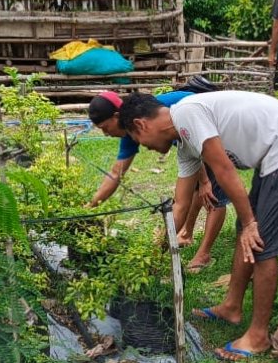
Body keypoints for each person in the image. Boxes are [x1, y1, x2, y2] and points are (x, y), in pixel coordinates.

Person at [118, 91, 278, 361]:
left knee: (261, 242)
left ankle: (258, 336)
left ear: (141, 125)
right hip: (275, 155)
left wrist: (251, 221)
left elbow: (225, 170)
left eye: (138, 141)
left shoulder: (187, 114)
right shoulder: (184, 143)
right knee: (245, 232)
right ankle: (231, 307)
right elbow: (180, 206)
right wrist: (154, 252)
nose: (144, 147)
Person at [87, 90, 228, 272]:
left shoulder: (152, 117)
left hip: (206, 128)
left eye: (105, 128)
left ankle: (203, 254)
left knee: (215, 193)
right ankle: (186, 233)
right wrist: (90, 207)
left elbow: (194, 145)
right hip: (190, 143)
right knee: (194, 190)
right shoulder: (130, 130)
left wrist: (206, 180)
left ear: (116, 117)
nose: (106, 134)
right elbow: (116, 173)